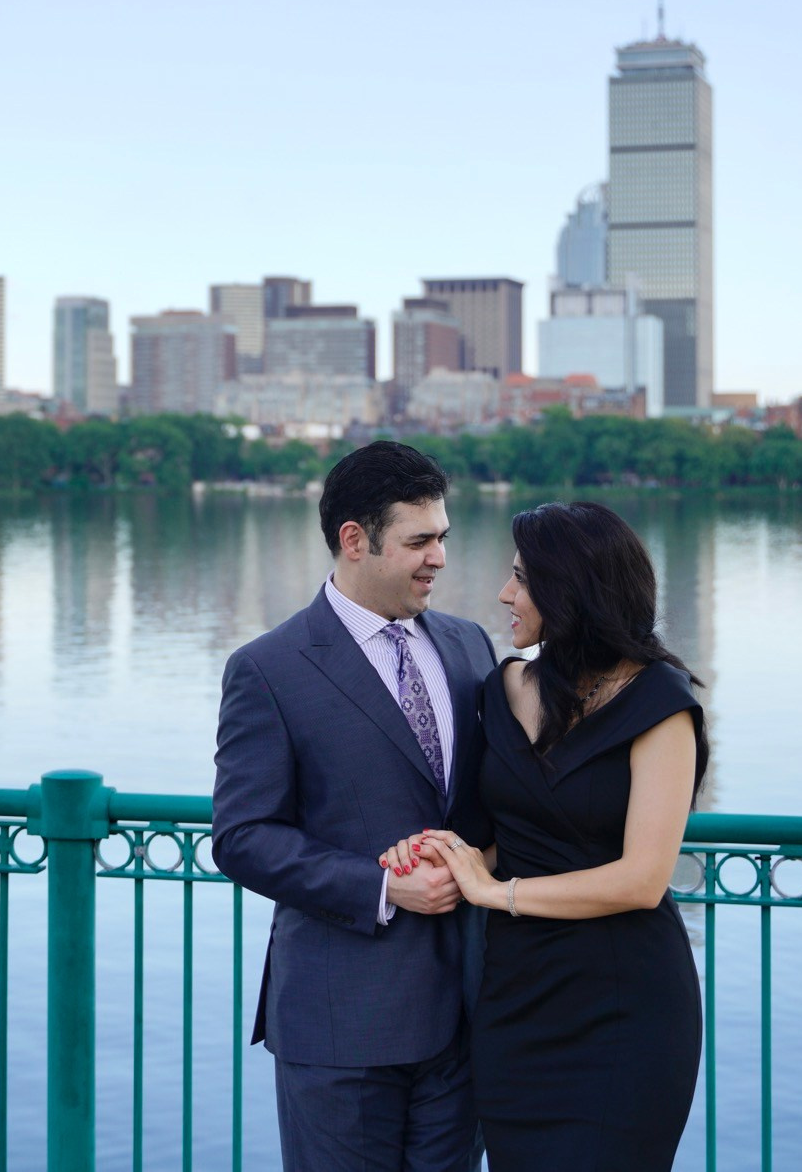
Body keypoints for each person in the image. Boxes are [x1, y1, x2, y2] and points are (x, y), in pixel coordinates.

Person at [381, 501, 708, 1170]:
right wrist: (422, 853)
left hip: (626, 1009)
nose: (505, 592)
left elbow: (643, 880)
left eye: (523, 579)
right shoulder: (499, 689)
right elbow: (487, 837)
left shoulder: (660, 704)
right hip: (517, 1003)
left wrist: (495, 892)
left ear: (573, 592)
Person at [212, 441, 498, 1172]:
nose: (439, 557)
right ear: (353, 539)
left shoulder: (469, 646)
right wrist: (382, 887)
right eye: (419, 540)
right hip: (340, 1027)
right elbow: (242, 836)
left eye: (443, 537)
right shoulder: (267, 668)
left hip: (464, 1018)